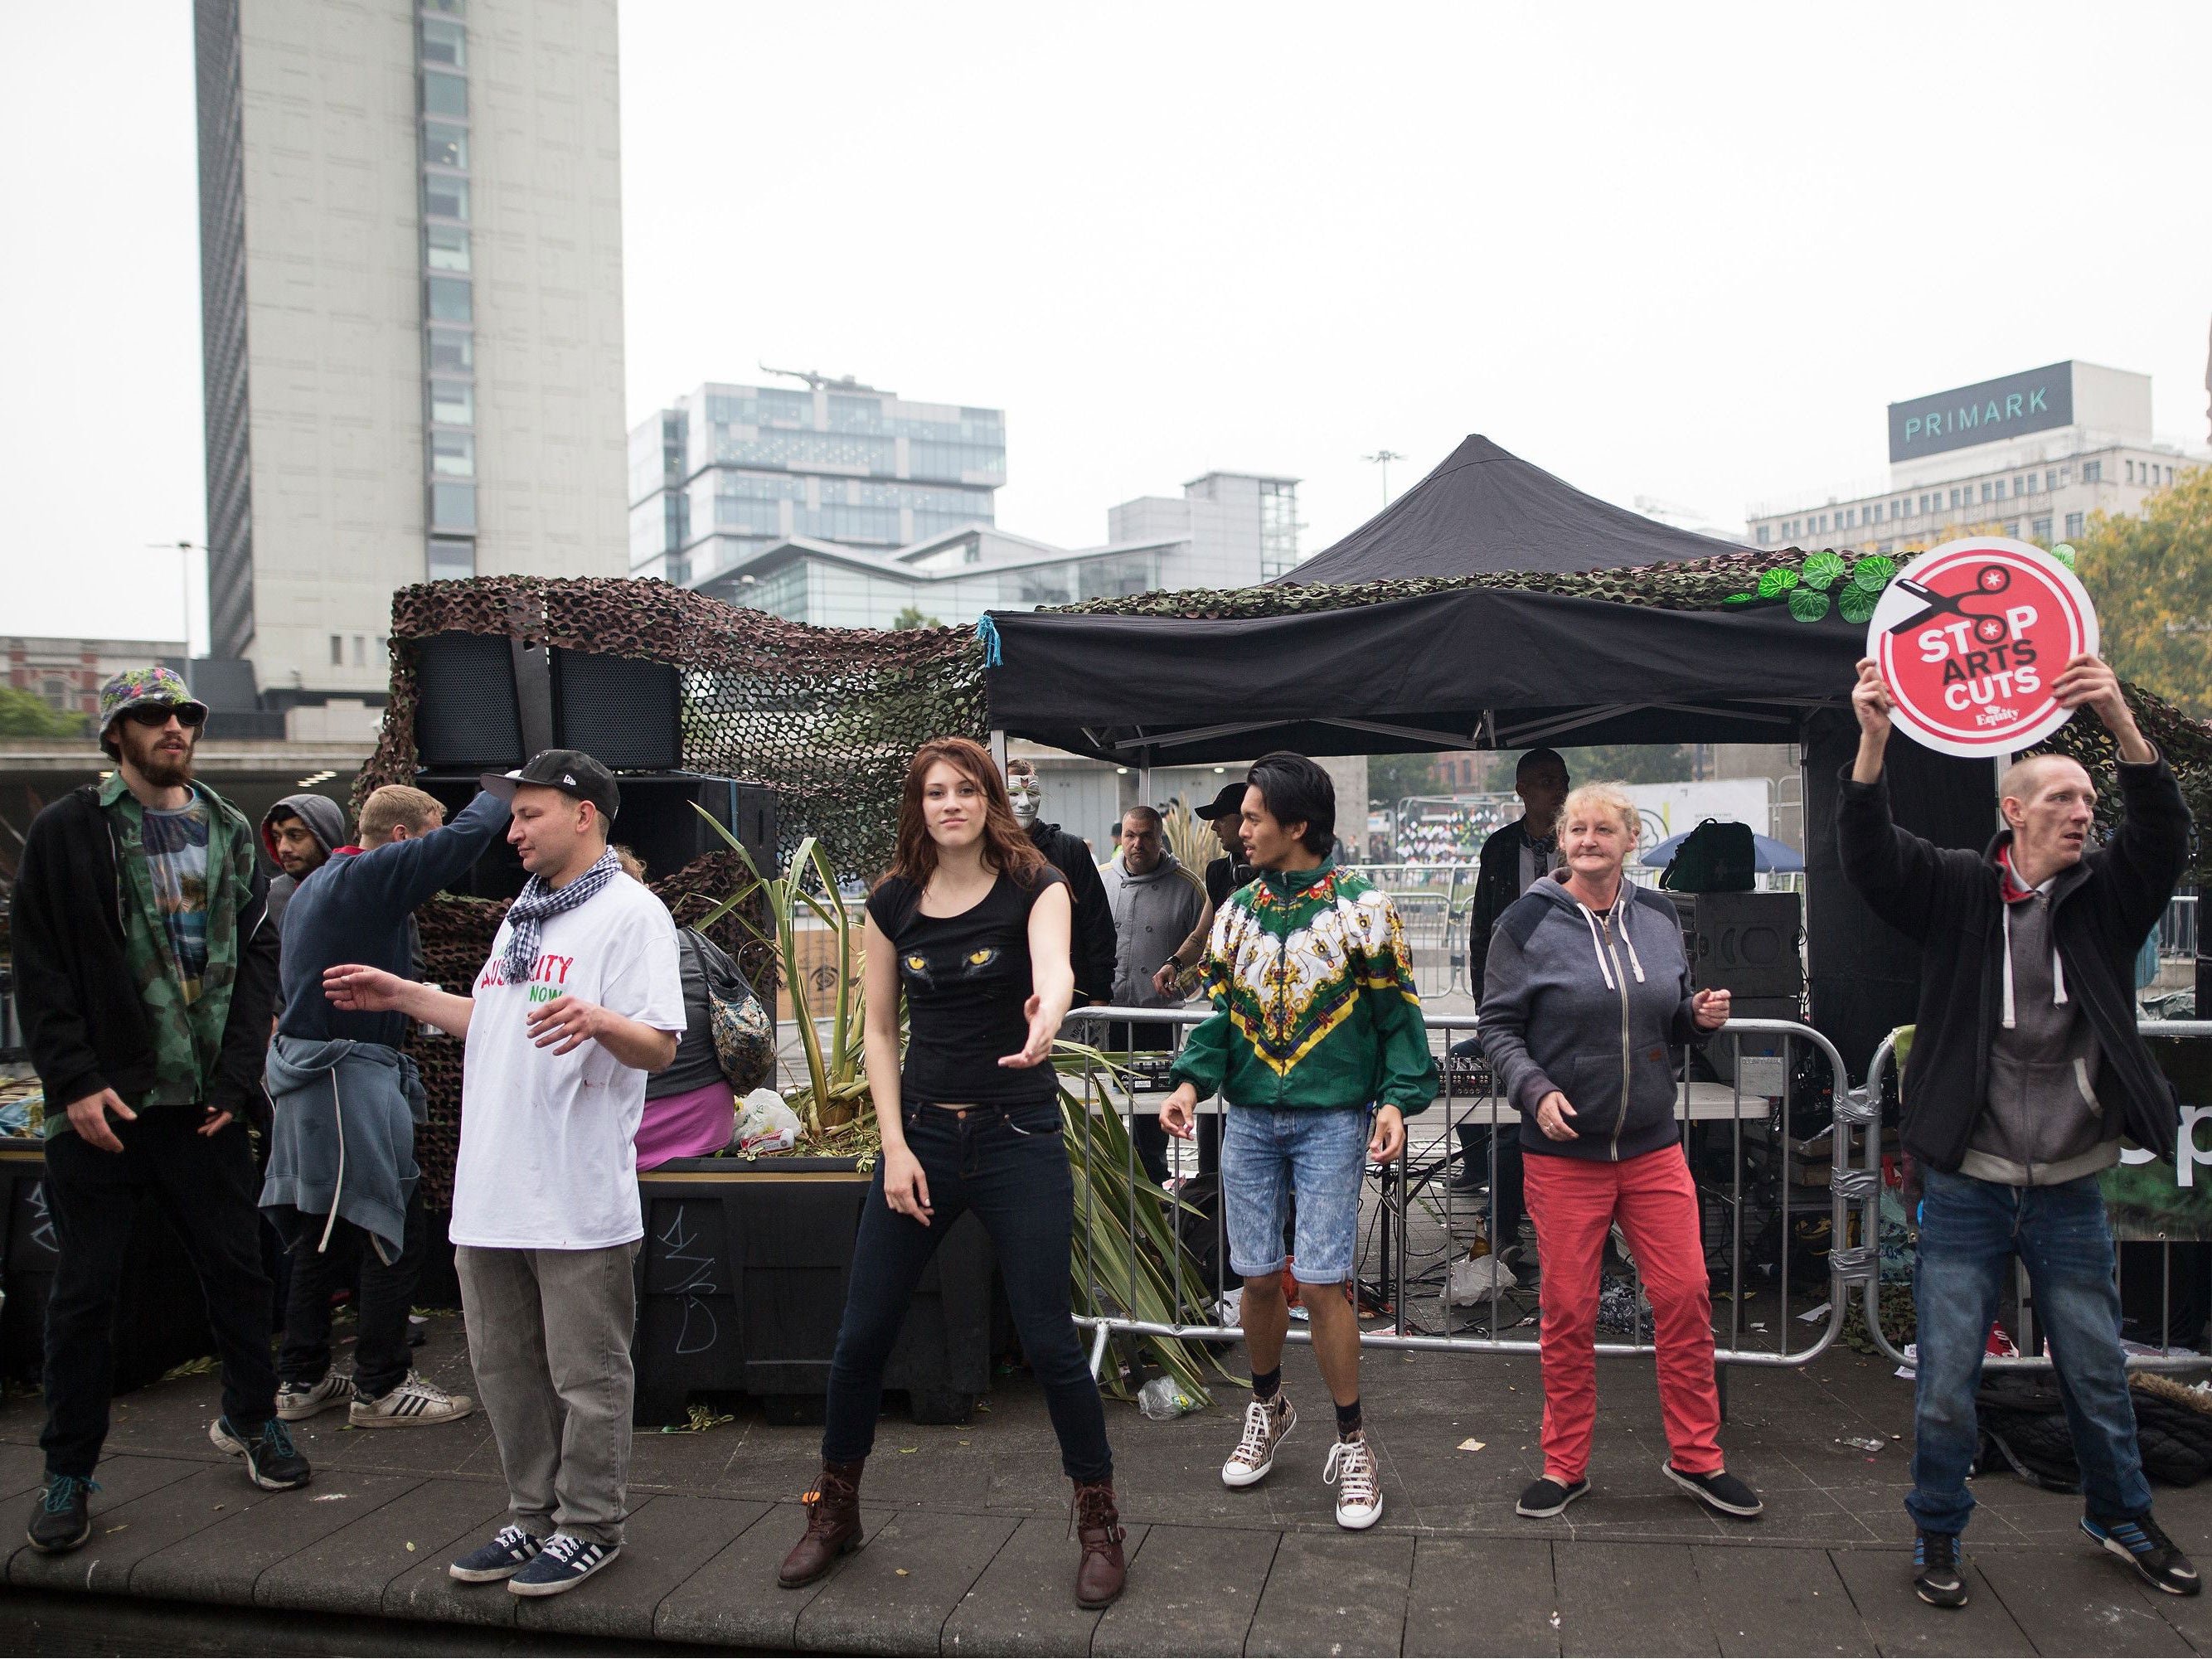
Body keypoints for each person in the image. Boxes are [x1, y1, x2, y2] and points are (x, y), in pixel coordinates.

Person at [1840, 653, 2199, 1609]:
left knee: (2094, 1369)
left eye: (2089, 798)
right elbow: (1870, 859)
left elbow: (2163, 835)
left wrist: (2119, 721)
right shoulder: (1956, 891)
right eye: (2063, 798)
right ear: (2013, 811)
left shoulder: (2105, 898)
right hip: (1966, 1181)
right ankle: (1937, 1535)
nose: (2084, 811)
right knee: (1947, 1379)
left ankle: (2120, 1517)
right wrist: (1873, 740)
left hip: (2071, 1182)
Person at [324, 749, 683, 1598]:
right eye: (512, 815)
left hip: (574, 1191)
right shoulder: (525, 915)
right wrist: (407, 994)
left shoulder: (631, 916)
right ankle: (531, 1516)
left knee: (586, 1377)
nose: (511, 830)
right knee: (505, 1372)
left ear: (584, 813)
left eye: (528, 814)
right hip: (491, 1190)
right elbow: (495, 1021)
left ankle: (589, 1525)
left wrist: (600, 1020)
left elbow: (660, 1043)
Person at [779, 737, 1125, 1608]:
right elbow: (881, 1033)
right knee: (861, 1338)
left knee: (1050, 1341)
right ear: (918, 805)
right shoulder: (892, 901)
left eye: (967, 789)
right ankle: (836, 1510)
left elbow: (1056, 966)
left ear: (990, 799)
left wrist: (1049, 1008)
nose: (951, 804)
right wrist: (893, 1147)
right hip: (924, 1141)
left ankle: (1099, 1522)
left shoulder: (1036, 884)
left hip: (1019, 1136)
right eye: (935, 791)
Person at [12, 667, 306, 1553]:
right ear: (115, 735)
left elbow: (259, 967)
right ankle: (68, 1469)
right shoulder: (71, 831)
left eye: (185, 713)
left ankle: (254, 1421)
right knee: (86, 1296)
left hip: (204, 1111)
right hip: (104, 1109)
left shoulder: (227, 832)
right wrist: (72, 1082)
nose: (173, 726)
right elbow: (42, 965)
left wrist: (234, 1082)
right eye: (152, 715)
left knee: (240, 1275)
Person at [1160, 752, 1437, 1530]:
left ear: (1297, 825)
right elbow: (1218, 1016)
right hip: (1246, 1117)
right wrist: (1187, 1083)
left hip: (1332, 1120)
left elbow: (1397, 1018)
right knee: (1252, 1276)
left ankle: (1353, 1443)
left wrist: (1395, 1100)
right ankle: (1268, 1406)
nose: (1237, 831)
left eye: (1250, 818)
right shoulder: (1238, 909)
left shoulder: (1364, 908)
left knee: (1320, 1283)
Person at [1478, 780, 1758, 1525]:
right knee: (1567, 1309)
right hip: (1565, 1152)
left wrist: (1697, 1017)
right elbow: (1497, 1026)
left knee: (1686, 1295)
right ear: (1562, 840)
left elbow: (1670, 1008)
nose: (1587, 838)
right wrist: (1534, 1090)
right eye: (1576, 828)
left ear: (1631, 839)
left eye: (1603, 828)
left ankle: (1698, 1457)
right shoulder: (1526, 921)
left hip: (1652, 1147)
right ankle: (1565, 1465)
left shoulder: (1661, 915)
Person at [262, 782, 510, 1430]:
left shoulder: (319, 882)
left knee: (323, 1229)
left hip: (312, 1078)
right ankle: (382, 1384)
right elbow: (459, 841)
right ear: (401, 840)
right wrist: (510, 787)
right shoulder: (368, 876)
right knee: (392, 1228)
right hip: (348, 1077)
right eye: (422, 839)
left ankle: (302, 1375)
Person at [1451, 750, 1571, 1236]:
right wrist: (1488, 1006)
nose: (1557, 790)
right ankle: (1501, 1227)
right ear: (1521, 790)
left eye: (1562, 780)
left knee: (1564, 1110)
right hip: (1514, 993)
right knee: (1505, 1109)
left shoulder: (1577, 842)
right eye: (1545, 782)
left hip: (1568, 995)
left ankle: (1569, 1229)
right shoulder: (1500, 848)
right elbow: (1482, 930)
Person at [611, 846, 771, 1171]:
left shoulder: (588, 953)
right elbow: (748, 1017)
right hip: (708, 1124)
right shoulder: (698, 945)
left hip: (625, 1133)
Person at [1099, 806, 1212, 1184]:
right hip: (1105, 1018)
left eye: (1147, 836)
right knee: (1105, 1109)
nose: (1137, 844)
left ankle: (1150, 1186)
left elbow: (1207, 951)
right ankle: (1112, 1188)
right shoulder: (1102, 881)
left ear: (1161, 838)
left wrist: (1182, 981)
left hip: (1158, 1021)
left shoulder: (1188, 886)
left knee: (1150, 1112)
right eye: (1131, 835)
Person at [1004, 758, 1116, 1007]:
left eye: (1032, 792)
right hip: (1005, 1001)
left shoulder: (1070, 849)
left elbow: (1097, 925)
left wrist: (1099, 995)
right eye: (1013, 792)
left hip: (1069, 996)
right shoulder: (986, 853)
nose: (1024, 802)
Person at [261, 793, 346, 931]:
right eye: (276, 837)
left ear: (324, 837)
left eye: (295, 836)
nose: (283, 848)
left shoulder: (356, 892)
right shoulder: (267, 900)